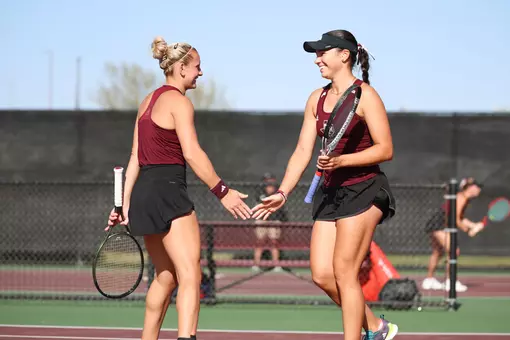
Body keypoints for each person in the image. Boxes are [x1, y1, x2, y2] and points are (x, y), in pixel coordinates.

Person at [252, 30, 398, 340]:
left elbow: (385, 149)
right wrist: (282, 192)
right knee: (321, 274)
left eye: (323, 52)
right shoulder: (316, 98)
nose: (317, 59)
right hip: (330, 195)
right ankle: (376, 327)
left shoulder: (366, 96)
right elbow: (303, 150)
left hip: (365, 189)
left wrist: (342, 162)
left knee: (345, 271)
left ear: (344, 55)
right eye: (316, 53)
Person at [107, 36, 252, 340]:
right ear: (182, 67)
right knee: (191, 275)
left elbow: (135, 157)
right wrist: (223, 192)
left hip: (146, 193)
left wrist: (121, 203)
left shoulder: (147, 101)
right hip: (168, 191)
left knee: (166, 276)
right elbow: (193, 154)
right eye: (197, 67)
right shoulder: (180, 103)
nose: (201, 72)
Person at [422, 177, 485, 292]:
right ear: (470, 188)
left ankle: (429, 280)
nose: (479, 190)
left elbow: (460, 218)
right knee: (453, 251)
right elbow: (455, 220)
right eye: (477, 187)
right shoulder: (461, 198)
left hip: (436, 223)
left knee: (438, 252)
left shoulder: (463, 198)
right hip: (439, 225)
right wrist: (468, 230)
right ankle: (450, 282)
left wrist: (473, 225)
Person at [252, 176, 288, 272]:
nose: (270, 186)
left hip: (274, 221)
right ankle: (256, 264)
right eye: (268, 183)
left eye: (272, 183)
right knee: (259, 242)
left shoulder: (278, 194)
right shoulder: (260, 194)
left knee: (274, 243)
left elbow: (281, 210)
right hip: (262, 220)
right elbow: (261, 204)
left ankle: (276, 265)